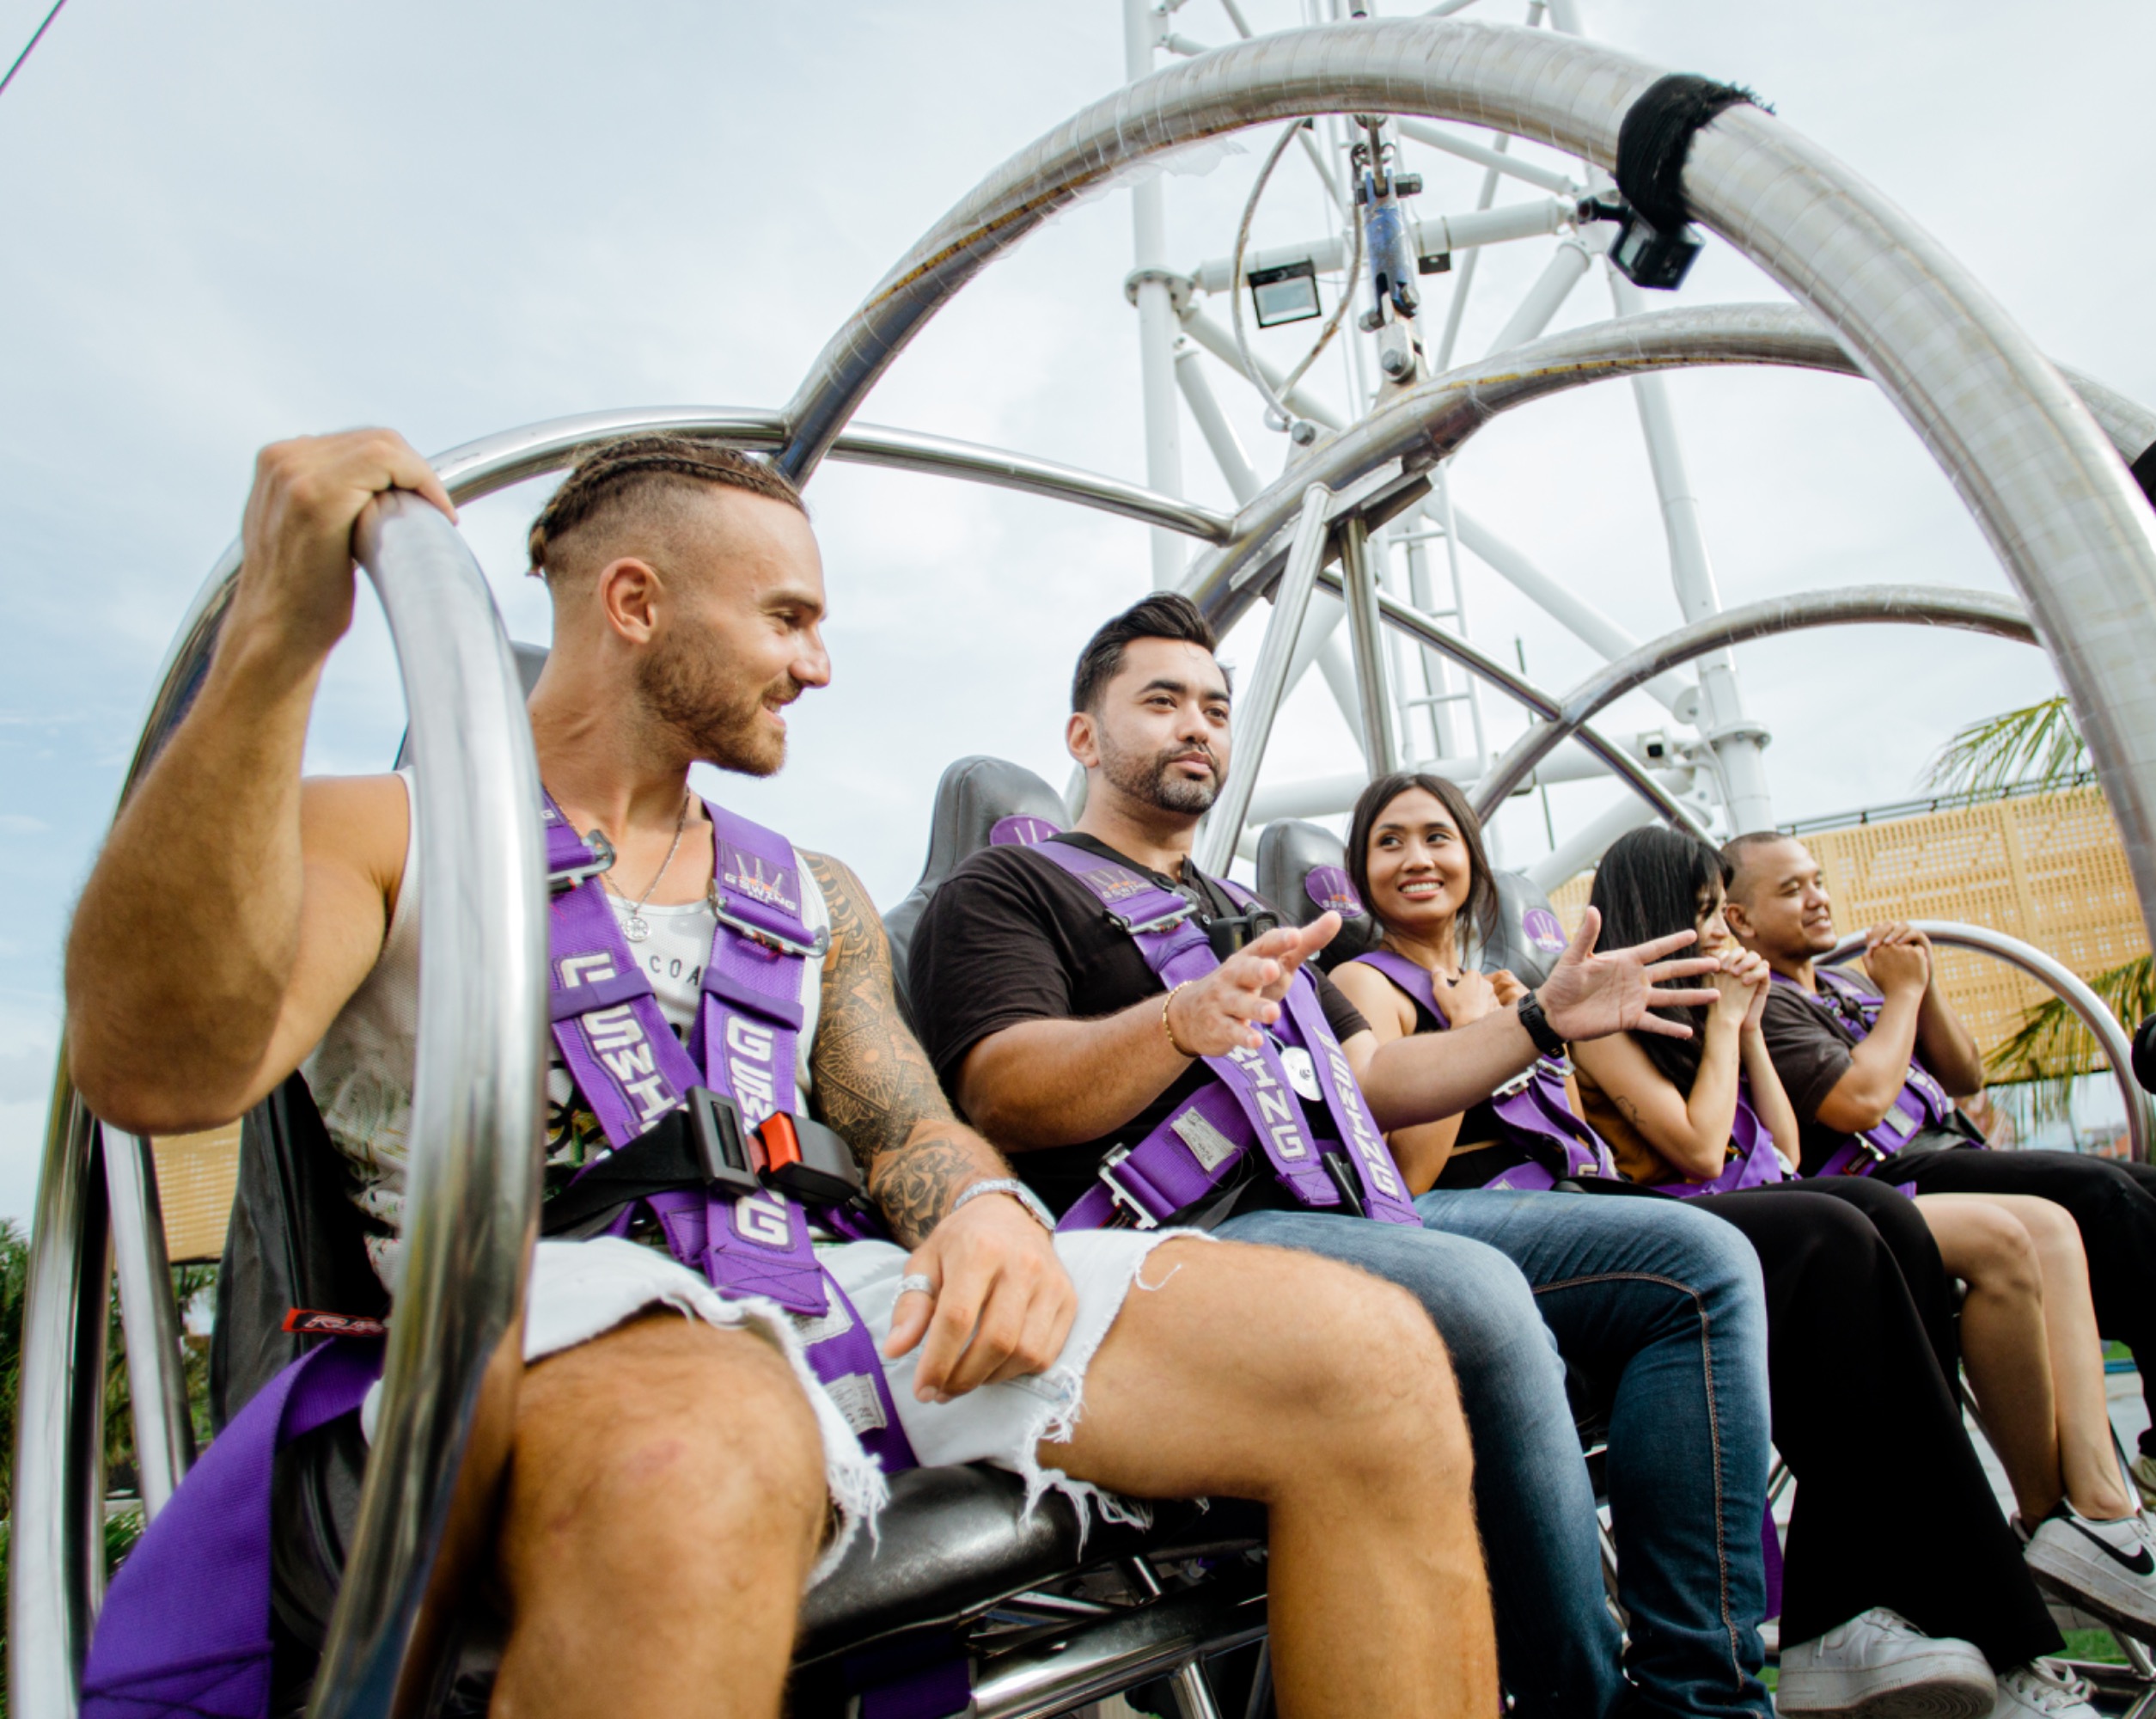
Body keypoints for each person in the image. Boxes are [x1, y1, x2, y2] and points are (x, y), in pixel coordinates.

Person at [65, 432, 1498, 1719]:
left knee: (1368, 1357)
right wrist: (272, 646)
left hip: (814, 1298)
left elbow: (912, 1126)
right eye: (790, 619)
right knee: (713, 1440)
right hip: (522, 1325)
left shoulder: (811, 895)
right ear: (637, 607)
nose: (819, 666)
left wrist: (984, 1218)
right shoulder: (387, 833)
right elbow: (155, 1068)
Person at [906, 595, 1778, 1719]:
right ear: (1084, 737)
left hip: (1348, 1211)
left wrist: (1544, 1023)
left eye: (1215, 708)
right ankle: (1580, 1705)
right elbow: (1002, 1088)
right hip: (1181, 1241)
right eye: (1161, 702)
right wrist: (1177, 1020)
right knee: (1476, 1291)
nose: (1197, 728)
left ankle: (1703, 1701)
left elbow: (1370, 1076)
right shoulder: (1008, 890)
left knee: (1699, 1265)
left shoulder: (1237, 913)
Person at [1334, 780, 2102, 1719]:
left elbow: (1598, 1148)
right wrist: (1478, 1035)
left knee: (1873, 1219)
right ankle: (1929, 1624)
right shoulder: (1366, 983)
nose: (1418, 857)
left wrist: (1518, 1022)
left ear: (1474, 860)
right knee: (1820, 1232)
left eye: (1439, 836)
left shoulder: (1514, 989)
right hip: (1482, 1224)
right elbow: (1399, 1170)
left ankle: (1880, 1602)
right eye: (1390, 841)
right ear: (1359, 872)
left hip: (1585, 1212)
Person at [1724, 832, 2156, 1541]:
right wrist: (1905, 996)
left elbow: (1964, 1077)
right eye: (1791, 890)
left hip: (1952, 1152)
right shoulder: (1776, 1009)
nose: (1818, 899)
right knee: (2101, 1196)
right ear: (1739, 919)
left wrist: (1923, 987)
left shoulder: (1854, 989)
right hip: (1885, 1179)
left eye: (1818, 881)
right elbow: (1858, 1102)